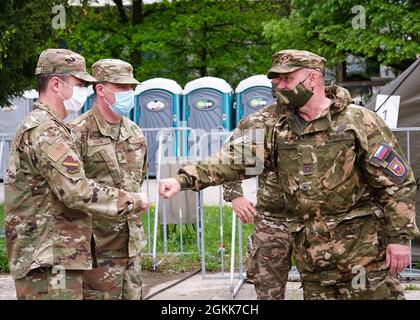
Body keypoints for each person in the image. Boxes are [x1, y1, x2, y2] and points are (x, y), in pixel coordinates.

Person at [159, 49, 419, 299]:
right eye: (276, 80)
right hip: (314, 261)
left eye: (287, 78)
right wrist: (183, 179)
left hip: (363, 254)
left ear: (313, 78)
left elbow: (397, 183)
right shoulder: (274, 127)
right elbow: (232, 160)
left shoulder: (359, 121)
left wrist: (399, 238)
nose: (279, 86)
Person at [4, 49, 148, 300]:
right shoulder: (47, 130)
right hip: (49, 258)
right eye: (80, 84)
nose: (84, 90)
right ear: (57, 84)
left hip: (58, 256)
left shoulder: (49, 127)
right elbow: (76, 190)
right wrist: (133, 200)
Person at [71, 58, 147, 300]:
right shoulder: (77, 133)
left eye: (131, 88)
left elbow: (139, 179)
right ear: (100, 90)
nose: (129, 93)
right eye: (122, 87)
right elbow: (72, 192)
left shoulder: (135, 133)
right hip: (96, 250)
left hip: (131, 247)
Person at [222, 104, 292, 300]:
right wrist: (235, 194)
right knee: (268, 291)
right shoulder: (263, 122)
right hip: (272, 221)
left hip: (317, 222)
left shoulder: (329, 118)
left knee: (323, 291)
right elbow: (230, 160)